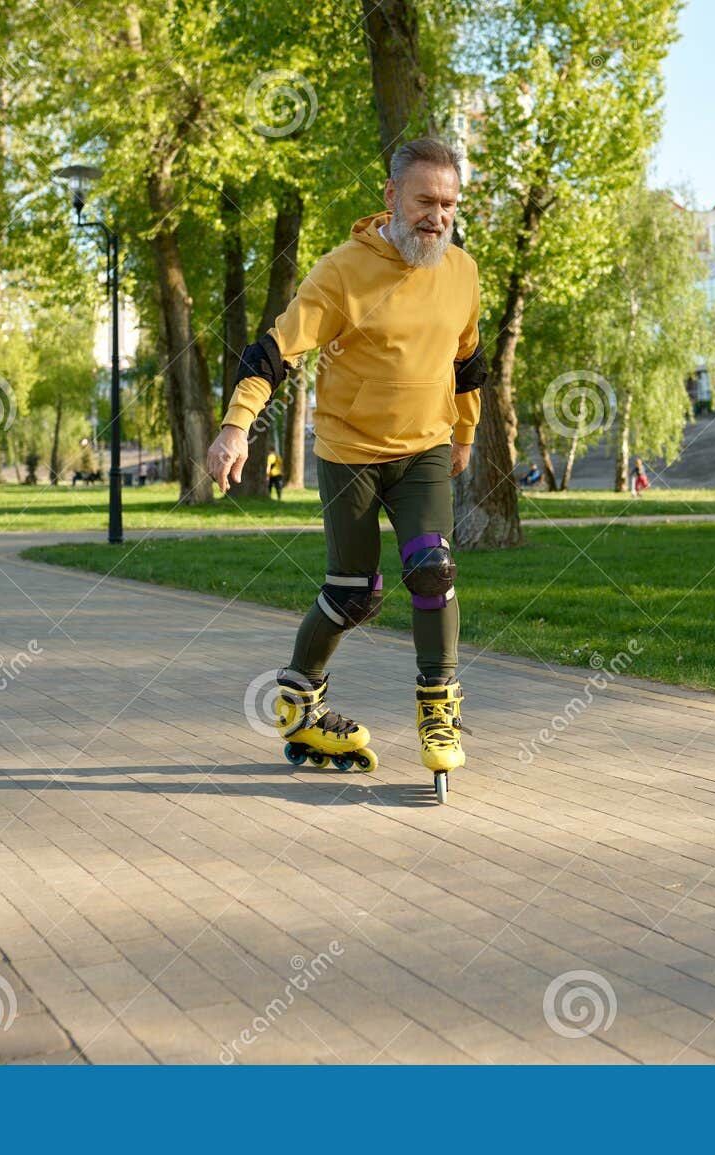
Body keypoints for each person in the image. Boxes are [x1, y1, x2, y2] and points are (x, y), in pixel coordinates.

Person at [207, 137, 483, 800]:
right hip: (349, 451)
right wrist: (236, 425)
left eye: (448, 204)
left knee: (433, 567)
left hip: (425, 448)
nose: (437, 216)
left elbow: (468, 362)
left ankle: (439, 713)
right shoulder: (341, 272)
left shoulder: (463, 271)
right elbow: (273, 351)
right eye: (424, 200)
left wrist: (466, 434)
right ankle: (299, 704)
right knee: (353, 591)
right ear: (391, 197)